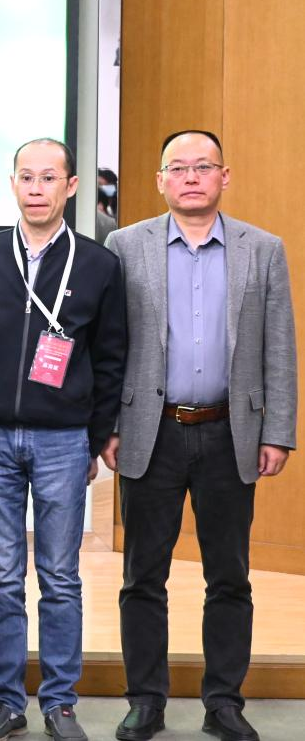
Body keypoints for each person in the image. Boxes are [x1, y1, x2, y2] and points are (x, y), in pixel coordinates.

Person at [103, 130, 296, 741]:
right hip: (150, 432)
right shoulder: (124, 246)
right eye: (178, 167)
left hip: (230, 433)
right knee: (143, 577)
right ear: (160, 179)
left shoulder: (262, 249)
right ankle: (145, 701)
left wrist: (278, 431)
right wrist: (108, 426)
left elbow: (279, 347)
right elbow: (109, 347)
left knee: (230, 578)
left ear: (224, 176)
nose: (191, 177)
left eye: (203, 166)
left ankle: (224, 703)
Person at [0, 138, 127, 741]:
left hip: (63, 440)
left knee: (59, 576)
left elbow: (111, 358)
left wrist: (95, 437)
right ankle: (7, 701)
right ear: (13, 184)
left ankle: (60, 702)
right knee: (1, 575)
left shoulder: (98, 264)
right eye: (26, 177)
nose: (36, 189)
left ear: (71, 187)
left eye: (49, 178)